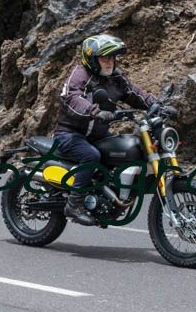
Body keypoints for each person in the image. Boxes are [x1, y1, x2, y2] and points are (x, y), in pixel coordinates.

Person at [51, 34, 158, 210]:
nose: (110, 62)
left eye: (112, 57)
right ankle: (74, 204)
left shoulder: (115, 77)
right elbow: (72, 98)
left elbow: (134, 93)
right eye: (104, 57)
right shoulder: (80, 75)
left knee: (122, 153)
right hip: (69, 134)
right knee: (91, 156)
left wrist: (156, 105)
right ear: (92, 59)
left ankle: (106, 197)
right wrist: (95, 111)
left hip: (98, 135)